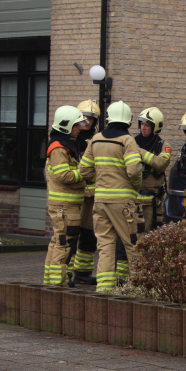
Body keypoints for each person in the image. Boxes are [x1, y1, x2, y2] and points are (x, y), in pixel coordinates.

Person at [78, 101, 143, 293]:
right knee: (132, 244)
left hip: (100, 201)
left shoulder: (96, 139)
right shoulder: (127, 141)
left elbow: (84, 169)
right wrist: (136, 187)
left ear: (108, 118)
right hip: (123, 202)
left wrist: (100, 178)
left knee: (105, 245)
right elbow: (134, 171)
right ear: (128, 120)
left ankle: (104, 288)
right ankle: (140, 288)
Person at [114, 107, 171, 284]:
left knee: (149, 236)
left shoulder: (163, 145)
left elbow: (161, 164)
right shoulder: (130, 142)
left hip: (152, 202)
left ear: (156, 127)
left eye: (148, 125)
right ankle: (122, 277)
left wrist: (140, 152)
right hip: (132, 198)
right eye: (142, 124)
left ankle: (146, 275)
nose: (143, 128)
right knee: (127, 236)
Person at [44, 106, 88, 286]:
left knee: (58, 242)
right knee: (64, 244)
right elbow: (64, 176)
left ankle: (50, 282)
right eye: (77, 125)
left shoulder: (65, 146)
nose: (80, 128)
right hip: (64, 207)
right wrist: (85, 175)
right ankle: (57, 285)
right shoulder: (58, 148)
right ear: (66, 125)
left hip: (66, 206)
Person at [70, 99, 100, 286]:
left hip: (93, 196)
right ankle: (68, 273)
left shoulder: (98, 140)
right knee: (72, 234)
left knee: (89, 235)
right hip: (74, 195)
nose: (87, 122)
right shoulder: (70, 141)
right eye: (85, 118)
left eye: (91, 118)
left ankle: (83, 273)